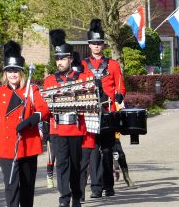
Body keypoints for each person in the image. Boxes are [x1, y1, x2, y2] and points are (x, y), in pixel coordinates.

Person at [0, 40, 50, 207]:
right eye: (9, 71)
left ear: (21, 72)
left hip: (27, 144)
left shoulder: (31, 89)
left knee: (27, 187)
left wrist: (31, 120)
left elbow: (44, 108)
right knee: (11, 186)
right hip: (6, 146)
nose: (12, 74)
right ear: (5, 73)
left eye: (15, 71)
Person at [81, 18, 126, 198]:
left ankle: (109, 185)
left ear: (103, 45)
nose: (97, 46)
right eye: (94, 43)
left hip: (108, 111)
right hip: (90, 111)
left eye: (99, 43)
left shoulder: (113, 64)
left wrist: (119, 96)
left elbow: (120, 86)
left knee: (107, 149)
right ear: (89, 45)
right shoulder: (83, 65)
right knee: (93, 150)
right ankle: (96, 187)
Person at [43, 29, 87, 207]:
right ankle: (64, 198)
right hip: (57, 130)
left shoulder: (84, 78)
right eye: (57, 59)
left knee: (76, 165)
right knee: (61, 165)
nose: (59, 62)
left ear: (70, 59)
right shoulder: (49, 81)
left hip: (76, 129)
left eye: (63, 58)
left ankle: (76, 196)